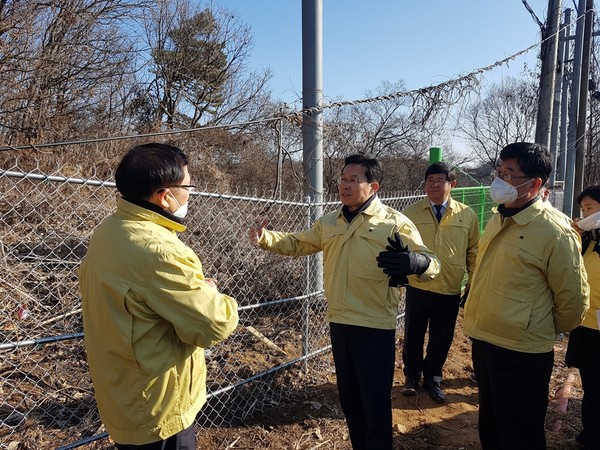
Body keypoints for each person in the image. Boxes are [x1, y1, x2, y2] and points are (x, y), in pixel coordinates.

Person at [249, 154, 440, 450]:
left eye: (354, 180)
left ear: (373, 186)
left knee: (375, 405)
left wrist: (416, 262)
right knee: (351, 403)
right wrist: (266, 238)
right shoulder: (329, 222)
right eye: (342, 179)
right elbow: (299, 243)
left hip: (375, 326)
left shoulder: (393, 223)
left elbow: (433, 265)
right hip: (339, 323)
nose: (345, 185)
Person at [79, 143, 239, 449]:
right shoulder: (161, 252)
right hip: (159, 409)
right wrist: (212, 293)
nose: (190, 194)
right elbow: (214, 324)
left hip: (122, 393)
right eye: (188, 186)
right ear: (165, 196)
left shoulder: (109, 231)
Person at [463, 142, 589, 450]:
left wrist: (533, 324)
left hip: (522, 353)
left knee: (520, 433)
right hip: (484, 339)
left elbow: (574, 302)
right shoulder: (499, 217)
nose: (500, 181)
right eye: (499, 171)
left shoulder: (555, 232)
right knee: (491, 425)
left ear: (534, 184)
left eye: (509, 174)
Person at [400, 162, 479, 403]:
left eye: (439, 180)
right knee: (413, 333)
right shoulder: (411, 213)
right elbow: (400, 247)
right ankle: (411, 376)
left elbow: (473, 251)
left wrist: (472, 281)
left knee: (441, 336)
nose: (433, 185)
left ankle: (433, 377)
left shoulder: (466, 214)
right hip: (418, 286)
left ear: (451, 184)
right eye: (429, 180)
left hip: (449, 288)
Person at [566, 185, 600, 450]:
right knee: (593, 389)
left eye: (589, 208)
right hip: (587, 325)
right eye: (582, 209)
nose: (583, 214)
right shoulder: (588, 240)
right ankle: (590, 436)